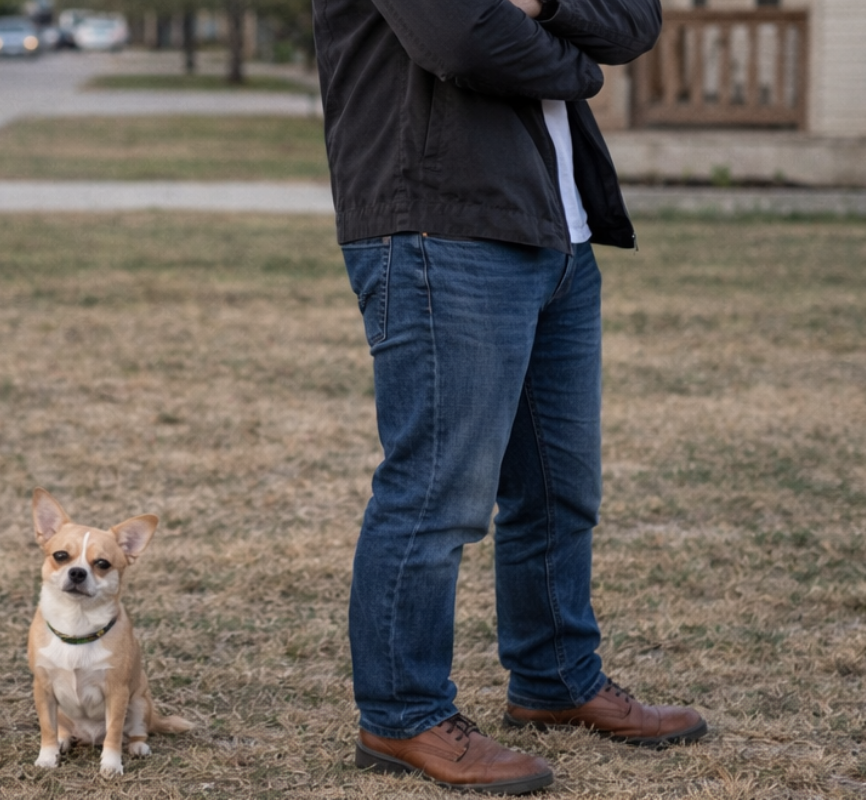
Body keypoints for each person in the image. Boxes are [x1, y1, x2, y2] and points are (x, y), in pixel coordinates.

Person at [311, 0, 706, 793]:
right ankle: (402, 715)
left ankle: (557, 681)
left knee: (561, 486)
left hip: (558, 234)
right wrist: (580, 65)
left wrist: (547, 6)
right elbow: (462, 38)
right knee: (437, 492)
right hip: (437, 228)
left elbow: (635, 21)